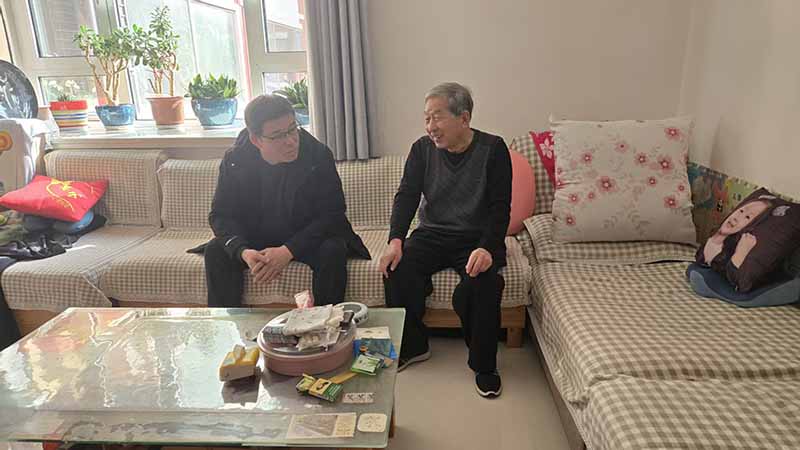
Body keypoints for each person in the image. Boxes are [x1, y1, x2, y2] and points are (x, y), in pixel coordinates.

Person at [379, 82, 512, 398]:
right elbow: (406, 196)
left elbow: (500, 207)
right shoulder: (421, 149)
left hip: (476, 237)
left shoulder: (493, 149)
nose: (430, 127)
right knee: (397, 268)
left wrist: (487, 247)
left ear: (464, 118)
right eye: (427, 118)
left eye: (437, 117)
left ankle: (484, 365)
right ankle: (414, 346)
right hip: (433, 233)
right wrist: (395, 240)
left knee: (485, 284)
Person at [205, 95, 370, 307]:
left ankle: (326, 323)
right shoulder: (235, 160)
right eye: (278, 136)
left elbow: (333, 214)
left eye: (293, 129)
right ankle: (228, 324)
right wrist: (243, 252)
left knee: (334, 248)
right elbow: (220, 215)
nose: (291, 141)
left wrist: (287, 251)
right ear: (256, 140)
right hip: (255, 236)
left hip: (305, 236)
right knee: (216, 251)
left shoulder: (318, 155)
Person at [697, 195, 775, 271]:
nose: (736, 218)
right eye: (741, 211)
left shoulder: (732, 252)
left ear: (751, 227)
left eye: (747, 217)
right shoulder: (711, 238)